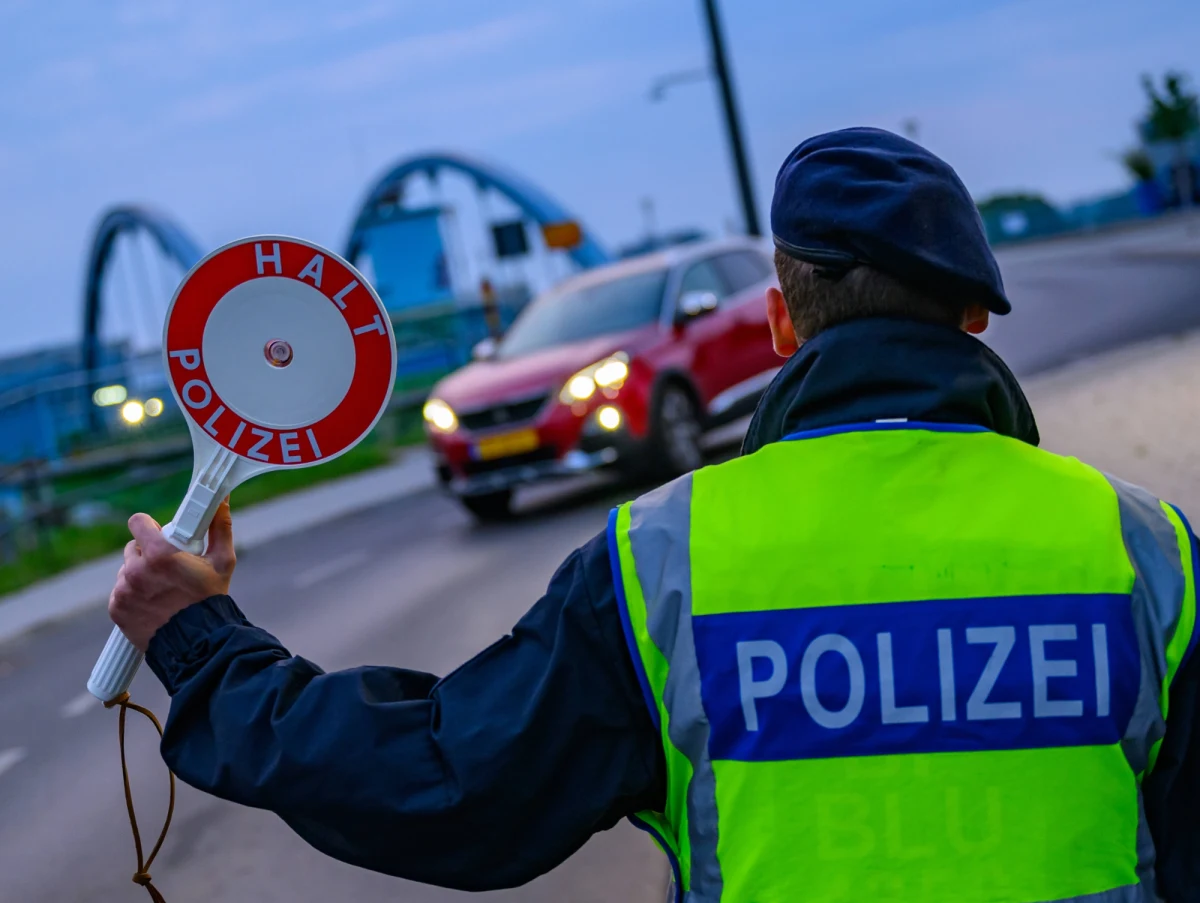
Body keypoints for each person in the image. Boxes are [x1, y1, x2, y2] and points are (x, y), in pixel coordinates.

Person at [109, 128, 1200, 902]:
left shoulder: (663, 562)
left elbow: (442, 785)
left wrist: (203, 647)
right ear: (973, 321)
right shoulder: (1147, 552)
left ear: (780, 324)